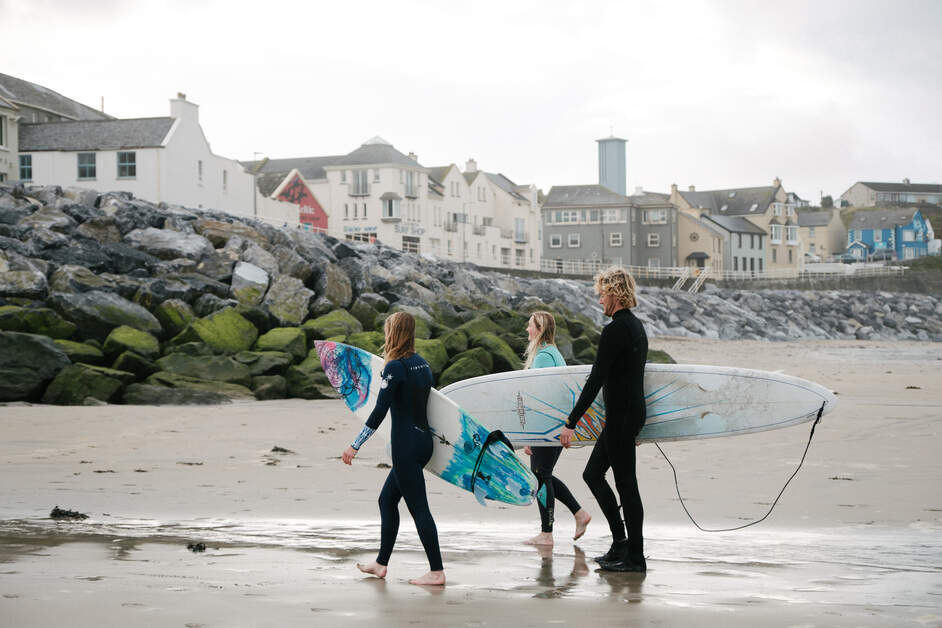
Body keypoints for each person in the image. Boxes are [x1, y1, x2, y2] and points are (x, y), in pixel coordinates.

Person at [341, 312, 445, 586]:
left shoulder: (395, 367)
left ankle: (437, 571)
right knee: (387, 500)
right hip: (424, 443)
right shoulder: (422, 365)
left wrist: (356, 444)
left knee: (419, 508)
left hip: (405, 448)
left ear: (393, 332)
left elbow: (379, 410)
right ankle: (380, 563)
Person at [559, 267, 648, 572]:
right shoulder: (637, 327)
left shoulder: (615, 330)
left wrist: (571, 422)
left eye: (602, 293)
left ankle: (635, 557)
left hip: (622, 416)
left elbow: (596, 380)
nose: (599, 300)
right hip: (628, 413)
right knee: (593, 474)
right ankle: (621, 544)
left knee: (626, 485)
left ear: (615, 294)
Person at [520, 310, 592, 547]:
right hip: (553, 426)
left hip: (546, 428)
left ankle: (546, 534)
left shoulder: (543, 357)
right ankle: (580, 514)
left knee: (540, 478)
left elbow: (540, 399)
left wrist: (531, 435)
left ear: (539, 330)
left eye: (530, 326)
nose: (527, 330)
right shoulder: (553, 353)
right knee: (542, 476)